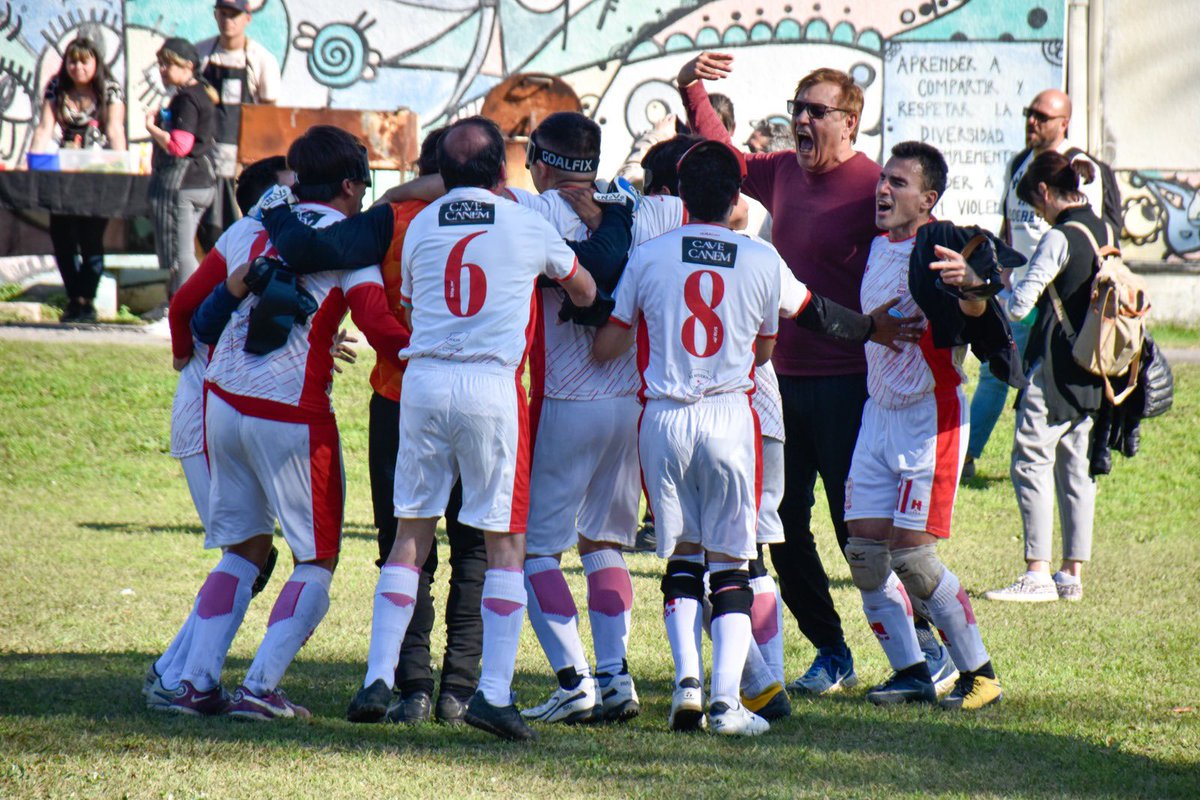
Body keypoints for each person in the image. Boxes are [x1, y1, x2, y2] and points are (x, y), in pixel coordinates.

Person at [593, 140, 919, 734]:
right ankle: (726, 703)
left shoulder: (650, 255)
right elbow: (808, 317)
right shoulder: (760, 258)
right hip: (728, 419)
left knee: (683, 557)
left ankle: (686, 688)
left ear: (683, 194)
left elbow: (609, 342)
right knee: (733, 561)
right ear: (737, 197)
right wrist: (872, 327)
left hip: (663, 420)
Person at [345, 116, 597, 742]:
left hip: (423, 383)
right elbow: (586, 290)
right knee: (501, 542)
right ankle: (491, 694)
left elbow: (407, 272)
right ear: (501, 171)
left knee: (410, 534)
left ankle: (381, 676)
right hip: (490, 388)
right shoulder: (523, 221)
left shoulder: (422, 222)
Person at [153, 125, 410, 720]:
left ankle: (194, 683)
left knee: (242, 552)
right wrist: (433, 351)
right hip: (292, 415)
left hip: (221, 401)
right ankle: (261, 688)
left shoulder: (256, 229)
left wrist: (179, 350)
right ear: (352, 185)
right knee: (316, 559)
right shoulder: (354, 244)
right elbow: (377, 323)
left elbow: (189, 302)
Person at [676, 51, 907, 696]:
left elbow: (919, 235)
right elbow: (725, 159)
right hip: (779, 382)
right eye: (796, 109)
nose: (801, 121)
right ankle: (832, 651)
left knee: (856, 527)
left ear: (851, 122)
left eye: (816, 111)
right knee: (783, 530)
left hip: (848, 381)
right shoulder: (779, 172)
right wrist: (691, 88)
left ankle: (919, 653)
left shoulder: (874, 186)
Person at [504, 112, 685, 727]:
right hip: (629, 402)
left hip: (567, 403)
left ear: (542, 158)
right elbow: (728, 208)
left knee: (535, 552)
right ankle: (615, 676)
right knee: (605, 544)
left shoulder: (533, 213)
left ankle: (573, 680)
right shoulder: (651, 209)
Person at [842, 141, 1008, 711]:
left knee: (913, 558)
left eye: (900, 183)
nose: (884, 190)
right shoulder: (874, 246)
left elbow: (979, 319)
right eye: (883, 179)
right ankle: (912, 670)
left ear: (928, 199)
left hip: (928, 416)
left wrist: (971, 289)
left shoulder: (941, 249)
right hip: (876, 414)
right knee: (864, 554)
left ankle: (979, 672)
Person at [142, 154, 293, 711]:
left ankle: (174, 671)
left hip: (221, 408)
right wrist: (187, 356)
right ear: (260, 200)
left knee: (250, 550)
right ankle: (185, 681)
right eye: (286, 190)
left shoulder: (267, 239)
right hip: (209, 408)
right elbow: (183, 306)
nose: (295, 200)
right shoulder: (250, 234)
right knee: (248, 550)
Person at [983, 151, 1107, 603]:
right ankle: (1071, 574)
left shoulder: (1059, 236)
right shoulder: (1102, 227)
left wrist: (1000, 281)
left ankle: (1036, 572)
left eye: (1035, 206)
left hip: (1052, 370)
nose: (1037, 214)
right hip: (1095, 368)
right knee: (1078, 469)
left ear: (1043, 193)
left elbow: (1020, 305)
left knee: (1031, 462)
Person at [963, 89, 1103, 479]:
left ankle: (1056, 459)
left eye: (1042, 117)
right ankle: (967, 457)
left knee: (1048, 377)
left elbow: (1090, 228)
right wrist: (1002, 269)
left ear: (1064, 123)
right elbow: (1009, 222)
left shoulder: (1079, 166)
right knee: (995, 369)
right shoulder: (1019, 164)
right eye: (1030, 113)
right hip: (1018, 290)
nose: (1032, 122)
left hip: (1060, 296)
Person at [28, 37, 126, 323]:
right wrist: (33, 162)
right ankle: (73, 299)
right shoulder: (56, 87)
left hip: (98, 172)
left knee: (92, 237)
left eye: (84, 61)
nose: (78, 67)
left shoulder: (110, 89)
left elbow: (115, 129)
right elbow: (44, 128)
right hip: (64, 171)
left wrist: (122, 168)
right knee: (61, 236)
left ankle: (88, 300)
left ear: (96, 62)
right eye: (72, 61)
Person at [195, 0, 282, 246]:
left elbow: (268, 116)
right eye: (223, 13)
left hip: (242, 163)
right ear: (215, 15)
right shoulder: (200, 54)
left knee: (240, 228)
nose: (228, 20)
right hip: (204, 159)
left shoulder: (261, 60)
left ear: (247, 18)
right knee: (206, 232)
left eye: (234, 14)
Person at [145, 38, 218, 299]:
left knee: (180, 252)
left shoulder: (187, 98)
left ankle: (181, 309)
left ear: (188, 65)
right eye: (161, 64)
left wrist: (153, 130)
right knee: (183, 249)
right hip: (201, 182)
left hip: (184, 184)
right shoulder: (201, 94)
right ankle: (176, 306)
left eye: (168, 64)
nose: (162, 69)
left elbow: (179, 146)